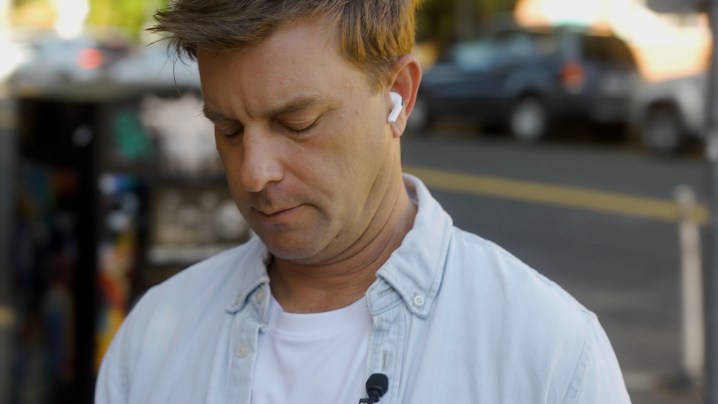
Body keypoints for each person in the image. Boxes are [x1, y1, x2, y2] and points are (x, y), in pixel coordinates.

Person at [95, 0, 632, 403]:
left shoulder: (548, 351)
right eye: (229, 129)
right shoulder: (153, 337)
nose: (254, 172)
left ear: (399, 95)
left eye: (296, 122)